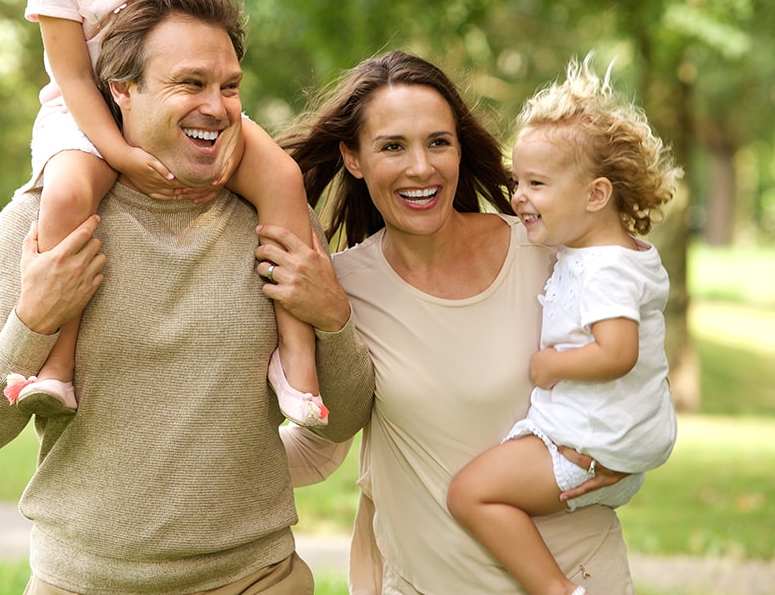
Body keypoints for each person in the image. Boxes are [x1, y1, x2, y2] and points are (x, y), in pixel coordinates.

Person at [0, 0, 374, 595]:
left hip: (258, 581)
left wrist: (332, 319)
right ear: (122, 91)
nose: (218, 107)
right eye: (190, 83)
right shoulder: (42, 223)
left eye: (229, 87)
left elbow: (342, 418)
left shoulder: (277, 220)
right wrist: (30, 323)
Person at [258, 51, 636, 594]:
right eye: (393, 146)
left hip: (579, 580)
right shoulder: (338, 292)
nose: (421, 168)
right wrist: (195, 465)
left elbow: (630, 383)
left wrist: (627, 457)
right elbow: (321, 448)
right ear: (354, 157)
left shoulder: (546, 254)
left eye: (438, 142)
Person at [6, 0, 327, 426]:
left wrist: (213, 121)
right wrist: (121, 153)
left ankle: (295, 362)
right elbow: (72, 77)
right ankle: (57, 364)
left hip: (175, 107)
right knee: (68, 193)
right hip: (89, 111)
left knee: (283, 179)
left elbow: (203, 54)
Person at [446, 56, 681, 595]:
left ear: (596, 195)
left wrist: (549, 364)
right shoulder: (598, 252)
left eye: (536, 184)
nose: (518, 197)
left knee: (471, 494)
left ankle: (556, 590)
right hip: (605, 444)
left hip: (580, 446)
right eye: (516, 181)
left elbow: (617, 351)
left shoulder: (604, 269)